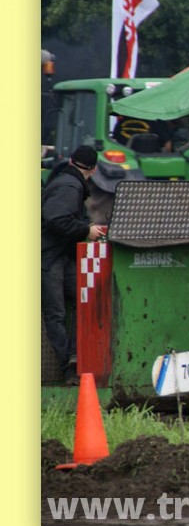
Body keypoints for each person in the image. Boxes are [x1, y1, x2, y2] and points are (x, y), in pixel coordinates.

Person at [41, 145, 107, 384]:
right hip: (48, 257)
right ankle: (69, 365)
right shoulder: (70, 187)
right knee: (56, 313)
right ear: (94, 169)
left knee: (83, 299)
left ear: (71, 161)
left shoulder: (66, 182)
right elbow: (55, 218)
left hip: (58, 255)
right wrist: (86, 230)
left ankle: (76, 356)